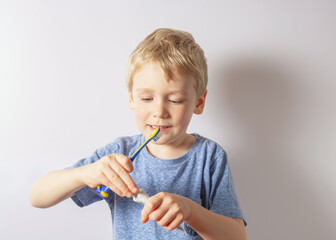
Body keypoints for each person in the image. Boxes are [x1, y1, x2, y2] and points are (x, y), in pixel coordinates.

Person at [30, 28, 247, 240]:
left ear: (198, 103)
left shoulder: (209, 156)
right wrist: (85, 174)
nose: (159, 112)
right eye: (146, 98)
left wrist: (191, 211)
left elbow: (237, 237)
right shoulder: (118, 154)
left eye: (175, 100)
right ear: (132, 98)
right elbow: (37, 197)